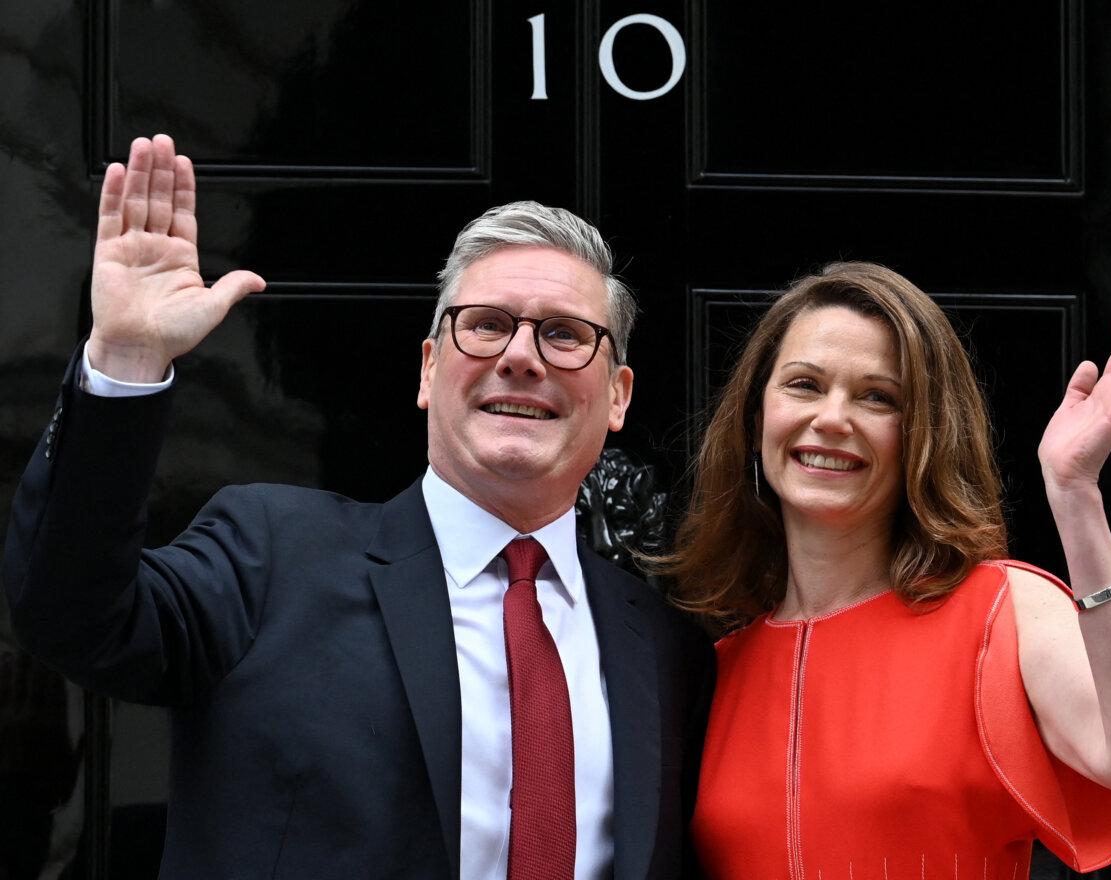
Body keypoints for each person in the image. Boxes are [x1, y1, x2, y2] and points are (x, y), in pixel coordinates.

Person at [2, 134, 714, 879]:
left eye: (565, 335)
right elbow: (68, 614)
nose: (521, 356)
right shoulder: (270, 554)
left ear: (619, 397)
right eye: (487, 325)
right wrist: (126, 360)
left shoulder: (666, 650)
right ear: (429, 368)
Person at [661, 262, 1111, 877]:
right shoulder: (716, 664)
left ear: (922, 433)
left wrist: (1074, 493)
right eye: (804, 385)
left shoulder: (1001, 611)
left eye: (877, 397)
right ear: (757, 417)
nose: (833, 418)